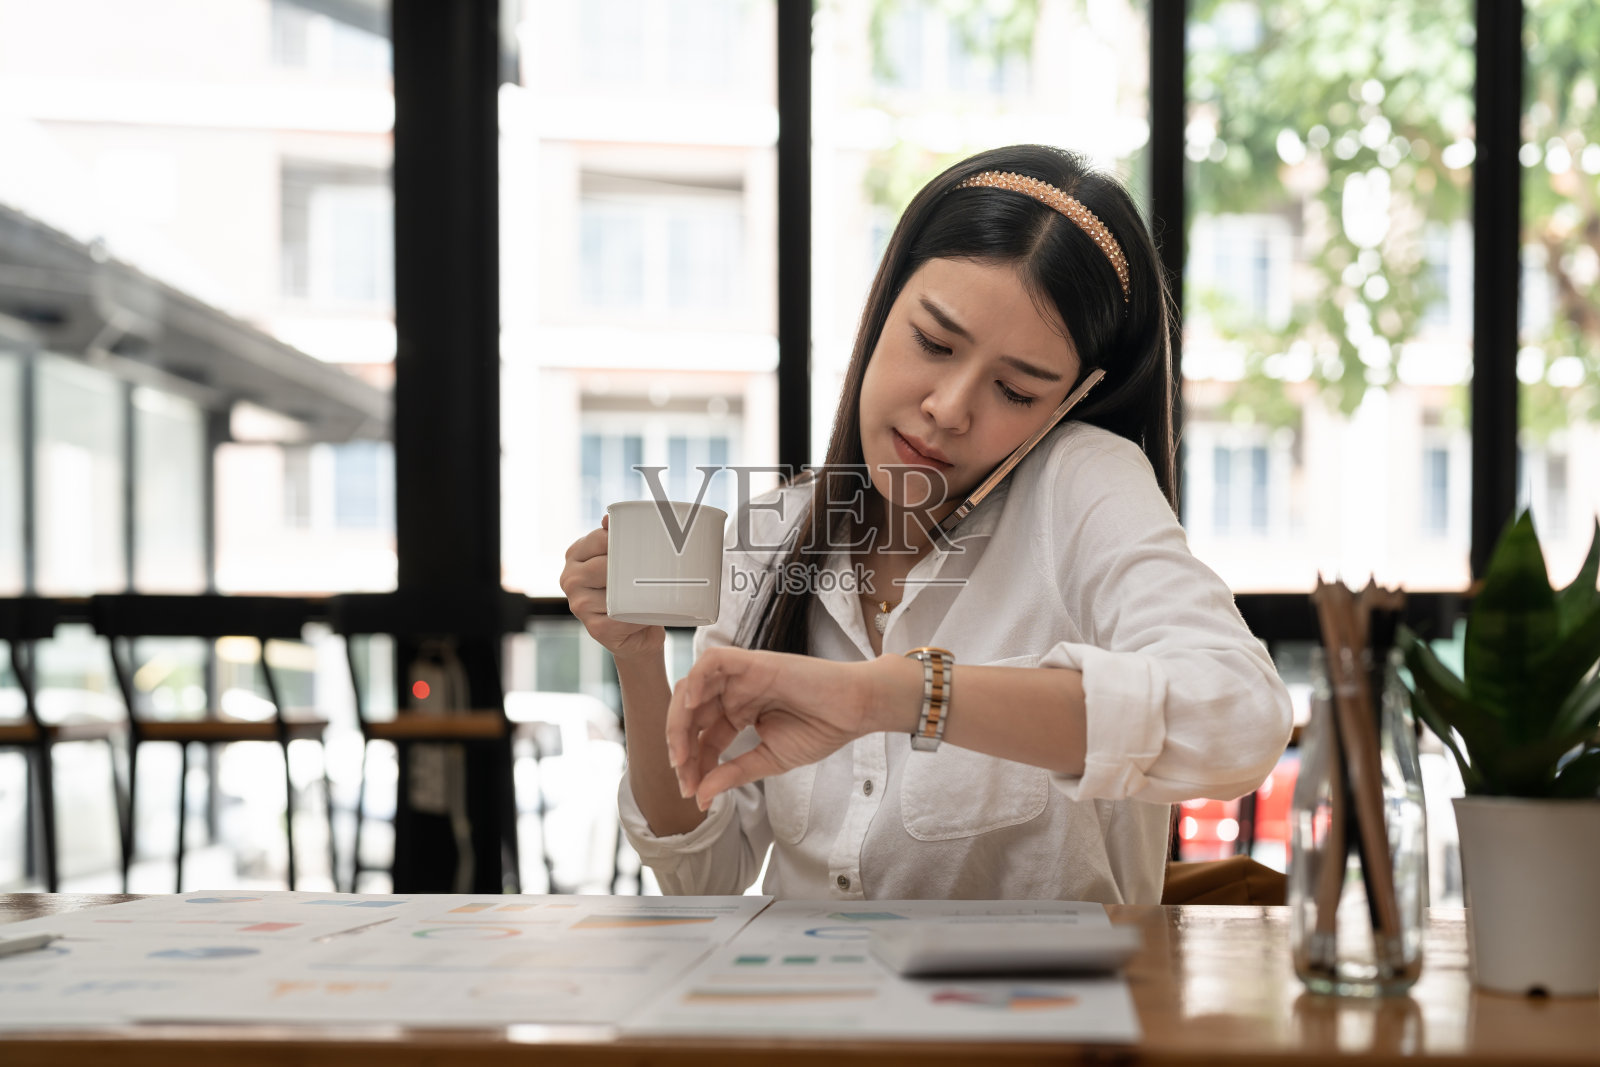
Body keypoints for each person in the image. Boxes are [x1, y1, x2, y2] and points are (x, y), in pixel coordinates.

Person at [560, 144, 1293, 904]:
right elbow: (704, 874)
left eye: (1014, 389)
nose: (950, 407)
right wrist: (641, 663)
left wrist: (897, 694)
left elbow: (1239, 714)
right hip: (818, 1011)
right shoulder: (776, 530)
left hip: (1033, 1019)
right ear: (883, 309)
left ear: (1068, 403)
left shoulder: (1080, 482)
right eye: (934, 343)